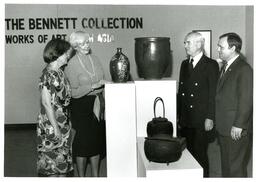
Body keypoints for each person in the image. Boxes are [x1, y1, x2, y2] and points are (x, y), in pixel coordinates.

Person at [177, 31, 219, 177]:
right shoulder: (184, 64)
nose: (185, 45)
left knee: (200, 155)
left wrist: (210, 117)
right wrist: (179, 115)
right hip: (186, 119)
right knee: (187, 155)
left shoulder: (210, 65)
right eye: (185, 42)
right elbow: (181, 91)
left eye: (188, 42)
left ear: (199, 44)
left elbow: (213, 94)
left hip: (201, 119)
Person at [65, 31, 106, 177]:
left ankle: (96, 176)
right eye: (82, 43)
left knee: (95, 143)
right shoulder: (71, 64)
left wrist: (101, 88)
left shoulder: (95, 58)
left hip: (97, 104)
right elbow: (72, 92)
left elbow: (102, 82)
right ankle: (81, 178)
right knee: (82, 146)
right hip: (80, 107)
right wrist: (92, 86)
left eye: (87, 42)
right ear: (75, 46)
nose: (86, 45)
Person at [215, 33, 253, 177]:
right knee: (227, 165)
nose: (218, 49)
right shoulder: (227, 66)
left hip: (235, 128)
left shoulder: (244, 69)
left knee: (235, 168)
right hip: (225, 127)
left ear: (233, 48)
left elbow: (247, 100)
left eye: (221, 47)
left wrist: (239, 124)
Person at [36, 38, 74, 177]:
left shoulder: (59, 72)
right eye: (66, 53)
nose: (68, 56)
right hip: (52, 124)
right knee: (52, 168)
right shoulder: (48, 75)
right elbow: (46, 103)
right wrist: (56, 128)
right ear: (58, 54)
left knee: (62, 166)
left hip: (62, 122)